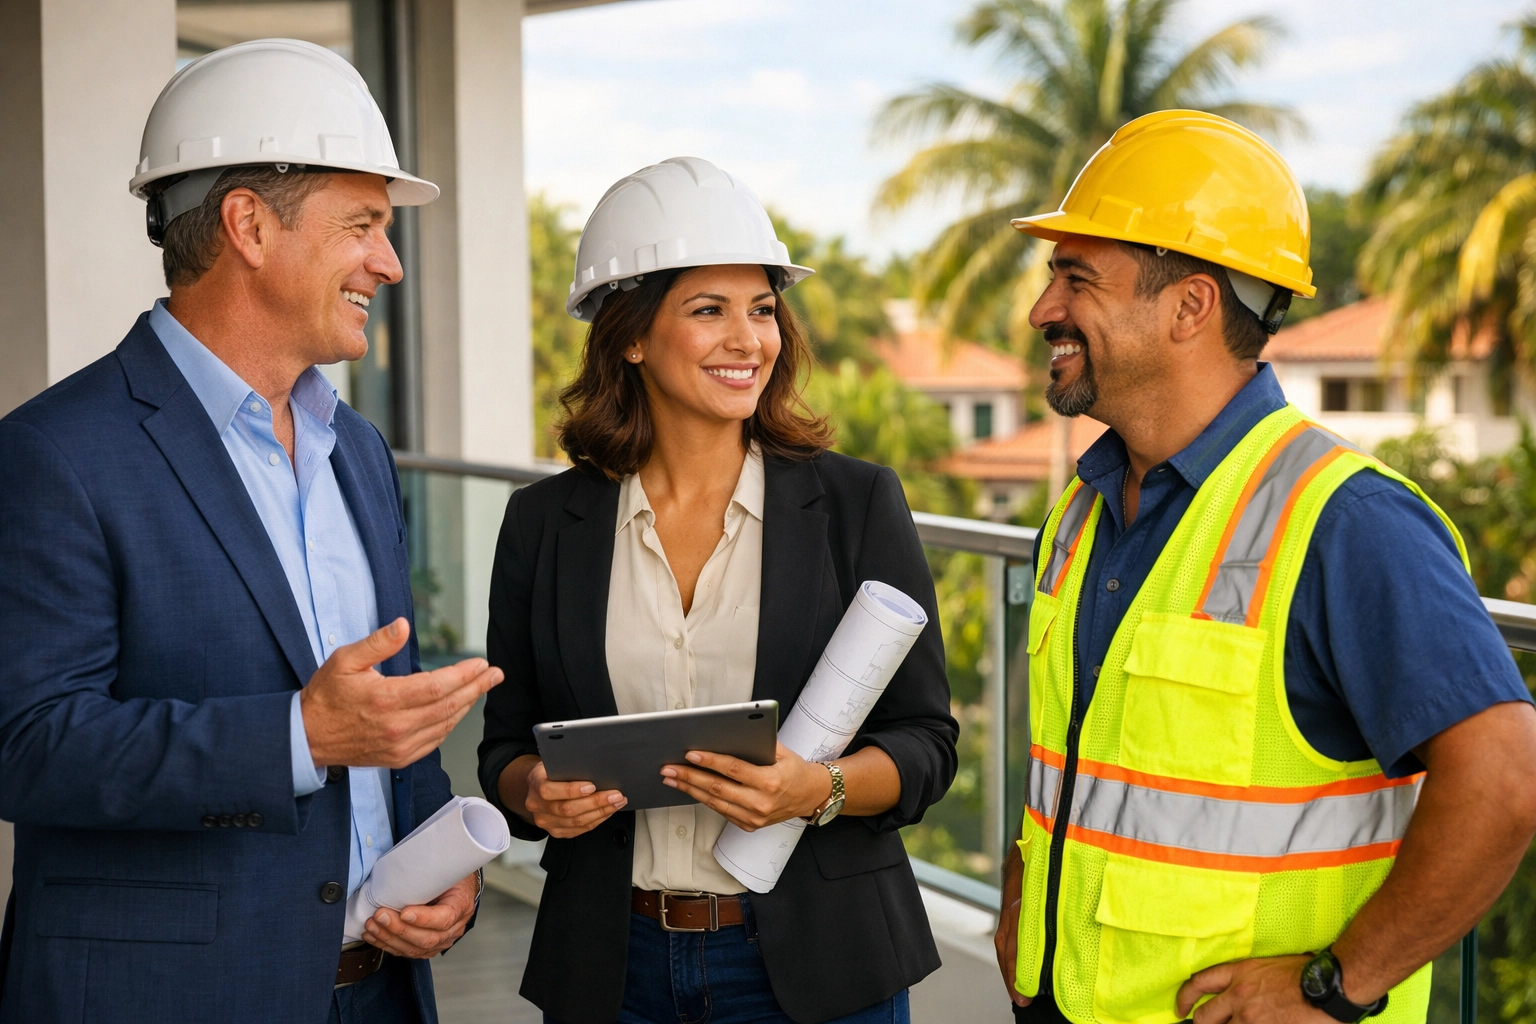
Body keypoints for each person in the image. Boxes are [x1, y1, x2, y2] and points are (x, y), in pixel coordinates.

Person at [992, 109, 1536, 1024]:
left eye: (1076, 279)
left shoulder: (1347, 519)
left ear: (1190, 306)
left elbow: (1505, 780)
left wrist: (1336, 988)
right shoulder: (1079, 513)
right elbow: (1079, 758)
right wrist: (1021, 892)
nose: (1046, 309)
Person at [0, 40, 502, 1024]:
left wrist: (449, 863)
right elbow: (26, 743)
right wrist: (296, 734)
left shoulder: (356, 449)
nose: (389, 263)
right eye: (362, 225)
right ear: (248, 226)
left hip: (380, 997)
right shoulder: (54, 454)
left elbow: (382, 713)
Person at [477, 156, 958, 1024]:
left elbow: (927, 743)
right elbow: (506, 746)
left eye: (763, 310)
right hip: (614, 967)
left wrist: (822, 789)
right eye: (709, 311)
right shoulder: (545, 524)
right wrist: (533, 795)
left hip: (818, 968)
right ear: (630, 334)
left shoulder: (854, 504)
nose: (750, 341)